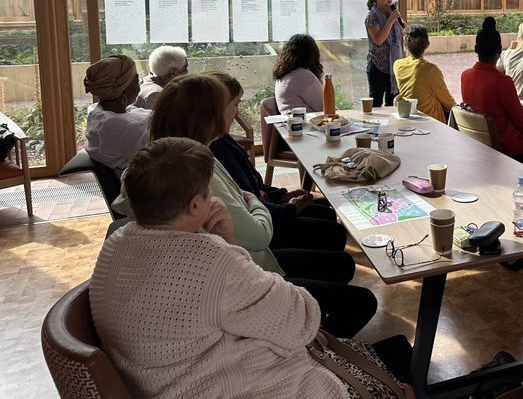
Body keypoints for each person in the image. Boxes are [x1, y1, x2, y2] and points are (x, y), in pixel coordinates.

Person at [90, 137, 403, 399]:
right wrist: (226, 246)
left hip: (166, 382)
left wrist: (224, 244)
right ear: (196, 206)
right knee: (398, 366)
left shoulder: (116, 244)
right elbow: (301, 321)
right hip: (236, 386)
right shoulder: (209, 261)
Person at [112, 73, 378, 337]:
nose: (233, 113)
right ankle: (310, 345)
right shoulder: (195, 169)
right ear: (209, 117)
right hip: (248, 276)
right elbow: (258, 234)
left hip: (235, 272)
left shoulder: (161, 159)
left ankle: (309, 332)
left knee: (339, 260)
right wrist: (253, 202)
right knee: (360, 296)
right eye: (230, 106)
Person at [209, 72, 347, 252]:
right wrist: (289, 208)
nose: (237, 112)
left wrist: (281, 195)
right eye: (235, 105)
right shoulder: (217, 151)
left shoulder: (222, 140)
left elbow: (254, 189)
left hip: (267, 212)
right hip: (268, 227)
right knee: (334, 233)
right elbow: (250, 206)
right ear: (218, 108)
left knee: (325, 211)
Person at [461, 17, 523, 166]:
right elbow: (521, 122)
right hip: (505, 144)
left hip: (478, 142)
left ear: (476, 49)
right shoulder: (502, 82)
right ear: (499, 50)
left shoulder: (465, 76)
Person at [83, 54, 151, 172]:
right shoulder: (118, 127)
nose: (139, 88)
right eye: (136, 81)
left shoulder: (97, 111)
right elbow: (161, 150)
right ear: (123, 91)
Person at [392, 25, 456, 123]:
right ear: (427, 44)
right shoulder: (431, 70)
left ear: (405, 44)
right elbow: (448, 101)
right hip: (433, 123)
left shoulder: (397, 65)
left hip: (410, 119)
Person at [365, 0, 404, 107]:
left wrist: (397, 21)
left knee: (392, 104)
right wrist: (391, 20)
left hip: (394, 67)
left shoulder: (391, 13)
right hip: (378, 67)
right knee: (376, 104)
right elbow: (378, 40)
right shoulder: (372, 16)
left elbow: (404, 31)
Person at [273, 34, 324, 114]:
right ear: (312, 55)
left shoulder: (283, 75)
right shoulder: (302, 75)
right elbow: (325, 107)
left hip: (289, 122)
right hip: (306, 123)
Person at [133, 45, 188, 109]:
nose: (187, 72)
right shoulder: (156, 95)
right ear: (172, 72)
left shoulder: (145, 81)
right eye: (184, 69)